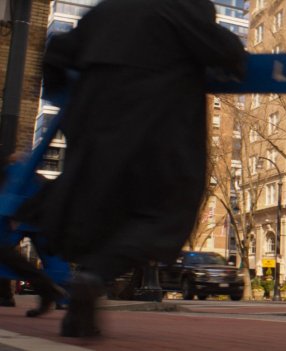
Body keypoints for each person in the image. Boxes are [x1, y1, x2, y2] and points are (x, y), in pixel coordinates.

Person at [34, 0, 246, 337]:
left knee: (101, 212)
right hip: (155, 129)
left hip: (94, 130)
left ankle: (83, 294)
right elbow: (225, 51)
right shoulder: (181, 8)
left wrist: (66, 98)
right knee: (164, 214)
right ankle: (93, 277)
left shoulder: (108, 9)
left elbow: (58, 51)